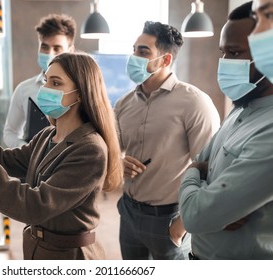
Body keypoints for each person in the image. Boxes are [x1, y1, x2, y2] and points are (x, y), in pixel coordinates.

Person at [0, 52, 124, 260]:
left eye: (56, 83)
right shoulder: (47, 135)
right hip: (39, 249)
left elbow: (34, 205)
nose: (45, 89)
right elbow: (3, 160)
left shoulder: (91, 149)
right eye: (46, 81)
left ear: (80, 93)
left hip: (70, 256)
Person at [114, 21, 220, 260]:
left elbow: (211, 169)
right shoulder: (124, 103)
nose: (134, 57)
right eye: (134, 50)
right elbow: (110, 150)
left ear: (165, 60)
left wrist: (181, 227)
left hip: (169, 219)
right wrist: (118, 162)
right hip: (128, 212)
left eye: (143, 52)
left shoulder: (194, 102)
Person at [179, 1, 273, 259]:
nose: (223, 63)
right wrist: (207, 192)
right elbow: (200, 161)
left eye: (234, 53)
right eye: (222, 52)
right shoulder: (242, 106)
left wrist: (191, 176)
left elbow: (196, 216)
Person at [3, 14, 76, 148]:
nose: (49, 53)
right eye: (44, 47)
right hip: (32, 165)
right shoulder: (24, 90)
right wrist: (27, 150)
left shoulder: (79, 91)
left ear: (70, 50)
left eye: (57, 48)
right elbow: (10, 132)